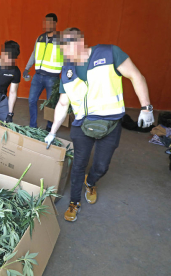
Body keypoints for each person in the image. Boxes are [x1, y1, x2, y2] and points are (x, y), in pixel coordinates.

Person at [44, 28, 155, 222]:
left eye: (66, 47)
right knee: (78, 165)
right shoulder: (67, 70)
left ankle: (92, 181)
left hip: (110, 124)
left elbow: (136, 76)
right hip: (81, 125)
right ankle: (75, 202)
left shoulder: (110, 53)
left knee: (102, 166)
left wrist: (146, 107)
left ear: (79, 42)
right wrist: (52, 132)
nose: (65, 54)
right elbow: (63, 103)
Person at [23, 13, 64, 130]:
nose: (48, 25)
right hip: (38, 76)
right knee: (31, 100)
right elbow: (34, 54)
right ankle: (32, 126)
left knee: (51, 104)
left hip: (53, 78)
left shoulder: (61, 39)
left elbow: (68, 57)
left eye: (51, 22)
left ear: (56, 23)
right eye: (46, 22)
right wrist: (27, 68)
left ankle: (50, 127)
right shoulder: (40, 38)